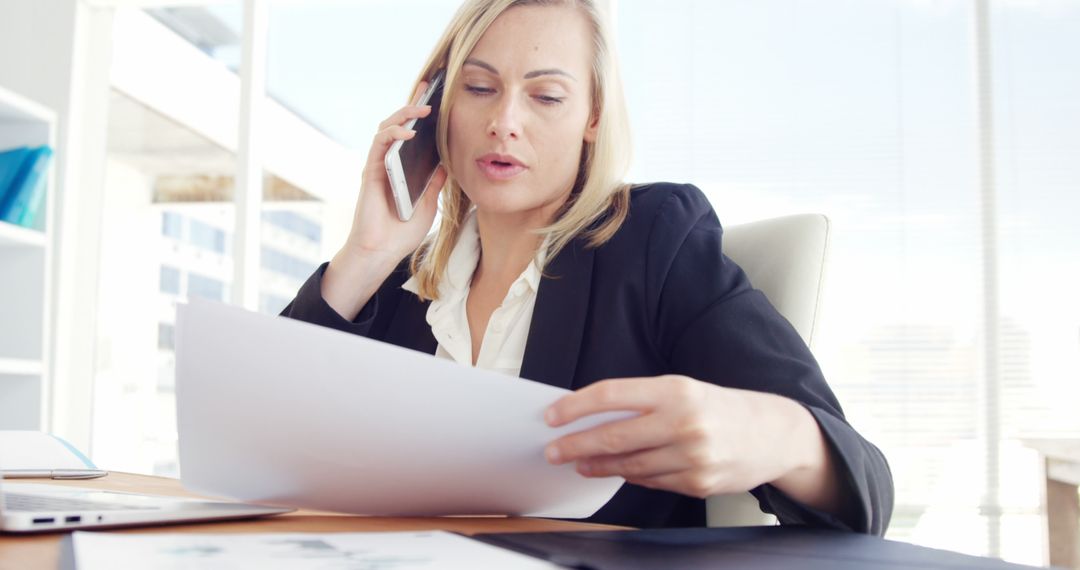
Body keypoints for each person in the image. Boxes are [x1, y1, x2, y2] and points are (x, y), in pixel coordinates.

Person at [281, 0, 893, 534]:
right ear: (434, 106)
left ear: (593, 118)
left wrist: (774, 438)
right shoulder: (404, 280)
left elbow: (866, 487)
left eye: (546, 96)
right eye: (477, 88)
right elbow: (275, 444)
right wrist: (367, 254)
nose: (504, 123)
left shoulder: (654, 239)